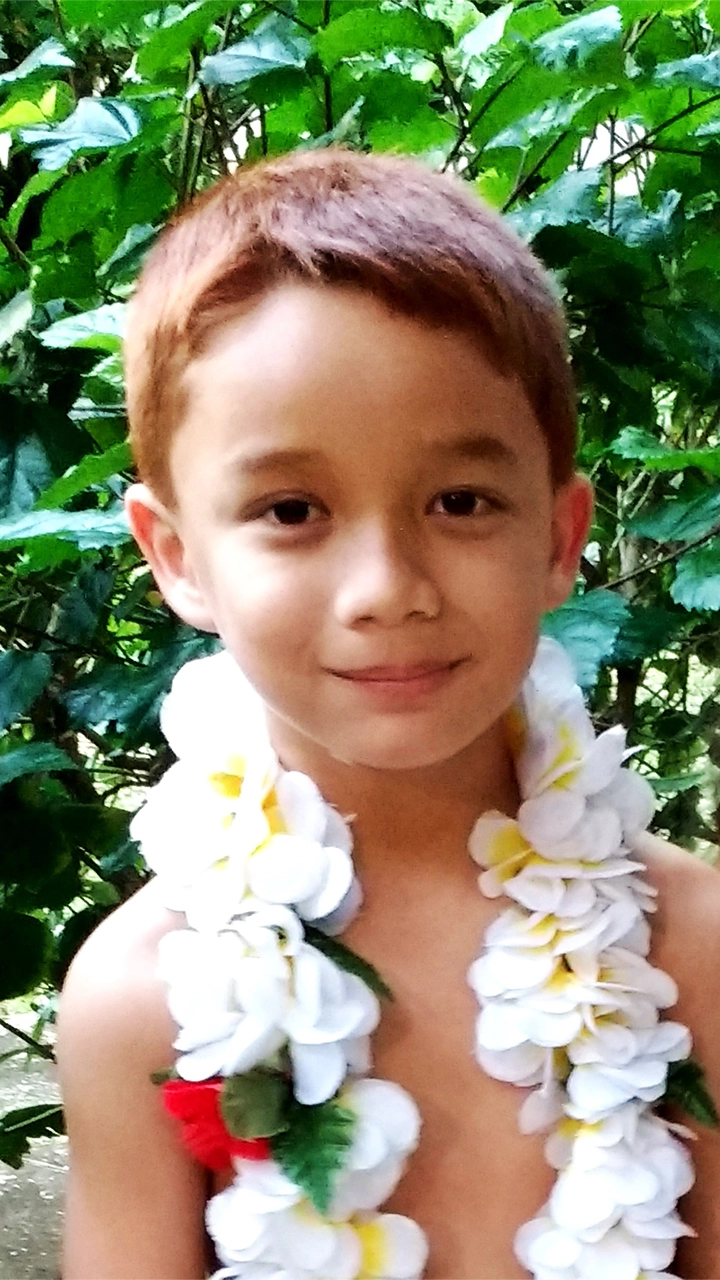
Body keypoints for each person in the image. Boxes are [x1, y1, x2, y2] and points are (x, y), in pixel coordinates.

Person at [56, 147, 720, 1280]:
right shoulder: (140, 999)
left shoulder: (691, 942)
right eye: (292, 508)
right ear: (177, 557)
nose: (388, 587)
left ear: (559, 538)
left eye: (460, 500)